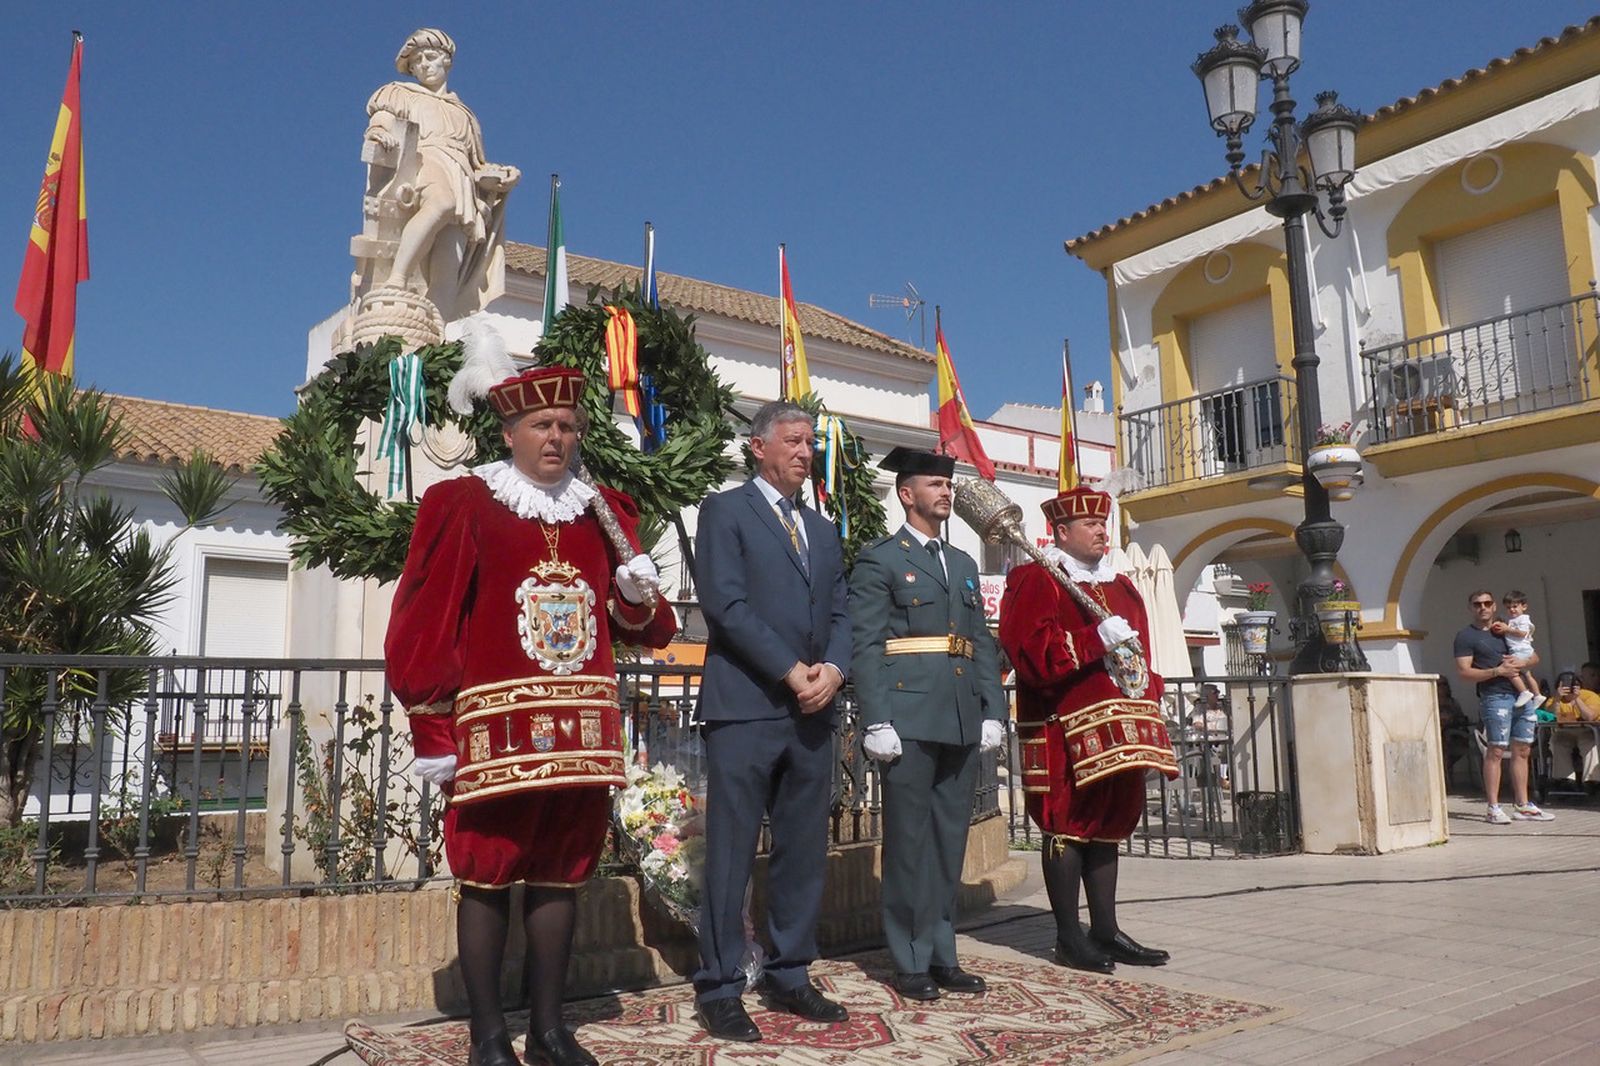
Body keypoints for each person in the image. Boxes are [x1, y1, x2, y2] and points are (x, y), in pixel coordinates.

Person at [386, 365, 676, 1066]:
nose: (557, 437)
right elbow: (425, 620)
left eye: (568, 426)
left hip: (582, 733)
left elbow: (648, 629)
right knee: (487, 875)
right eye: (542, 425)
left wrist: (633, 594)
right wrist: (432, 728)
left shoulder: (600, 510)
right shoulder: (466, 502)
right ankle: (489, 1037)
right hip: (496, 733)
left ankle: (549, 1030)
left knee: (560, 874)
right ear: (509, 432)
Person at [691, 400, 852, 1043]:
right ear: (758, 447)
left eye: (811, 442)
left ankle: (790, 973)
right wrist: (791, 670)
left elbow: (841, 613)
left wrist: (833, 670)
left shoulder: (822, 529)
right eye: (793, 440)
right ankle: (721, 985)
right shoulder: (725, 511)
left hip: (812, 711)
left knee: (803, 850)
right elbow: (725, 605)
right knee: (731, 853)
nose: (805, 452)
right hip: (746, 706)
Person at [997, 485, 1178, 974]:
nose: (1102, 531)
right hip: (1062, 727)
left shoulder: (1123, 587)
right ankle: (1068, 937)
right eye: (1091, 524)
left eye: (1104, 523)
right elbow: (1030, 654)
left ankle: (1105, 930)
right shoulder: (1036, 579)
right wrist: (1093, 638)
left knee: (1109, 825)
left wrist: (1150, 690)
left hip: (1122, 724)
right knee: (1068, 824)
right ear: (1061, 532)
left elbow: (1138, 655)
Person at [849, 447, 1007, 1002]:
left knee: (948, 842)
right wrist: (876, 719)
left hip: (960, 715)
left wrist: (993, 709)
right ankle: (910, 957)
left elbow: (979, 641)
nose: (946, 492)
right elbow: (867, 644)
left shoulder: (962, 564)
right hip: (909, 716)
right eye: (934, 484)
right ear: (906, 493)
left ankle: (943, 953)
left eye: (948, 484)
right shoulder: (881, 560)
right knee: (909, 843)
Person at [366, 28, 520, 319]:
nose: (424, 64)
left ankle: (438, 328)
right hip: (425, 158)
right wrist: (377, 131)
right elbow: (381, 119)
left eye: (430, 57)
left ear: (446, 60)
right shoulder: (400, 93)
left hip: (461, 176)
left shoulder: (465, 114)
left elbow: (476, 165)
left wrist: (501, 176)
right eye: (417, 61)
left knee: (450, 261)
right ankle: (396, 280)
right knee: (441, 202)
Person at [1453, 589, 1553, 825]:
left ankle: (1522, 804)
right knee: (1496, 750)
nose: (1483, 607)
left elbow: (1534, 657)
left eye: (1487, 603)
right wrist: (1497, 671)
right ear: (1470, 608)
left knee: (1523, 750)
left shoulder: (1505, 628)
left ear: (1494, 606)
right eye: (1477, 604)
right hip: (1495, 696)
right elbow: (1464, 672)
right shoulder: (1466, 636)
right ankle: (1493, 807)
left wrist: (1522, 661)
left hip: (1522, 697)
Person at [1546, 671, 1600, 789]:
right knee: (1557, 742)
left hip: (1586, 730)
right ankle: (1564, 779)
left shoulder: (1590, 696)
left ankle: (1592, 780)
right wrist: (1557, 699)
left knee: (1589, 742)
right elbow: (1550, 717)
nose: (1568, 687)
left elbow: (1590, 716)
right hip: (1564, 732)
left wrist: (1577, 699)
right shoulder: (1554, 699)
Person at [1499, 591, 1546, 710]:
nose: (1512, 610)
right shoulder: (1511, 620)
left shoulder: (1523, 619)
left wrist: (1507, 629)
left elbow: (1522, 633)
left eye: (1515, 606)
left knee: (1510, 671)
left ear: (1524, 607)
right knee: (1527, 674)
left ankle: (1524, 692)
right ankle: (1537, 695)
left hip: (1520, 650)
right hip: (1520, 650)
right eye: (1508, 607)